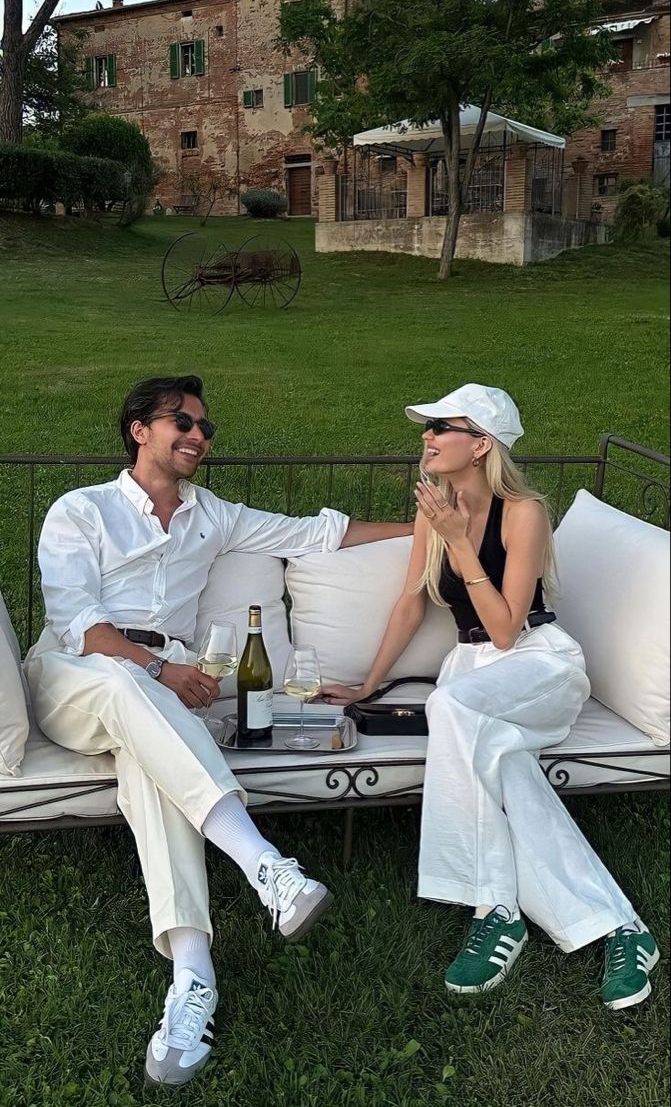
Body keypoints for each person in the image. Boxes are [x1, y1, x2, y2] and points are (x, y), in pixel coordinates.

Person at [24, 374, 413, 1088]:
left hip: (159, 692)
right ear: (140, 429)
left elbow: (318, 533)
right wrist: (159, 669)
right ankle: (266, 866)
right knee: (123, 682)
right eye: (183, 422)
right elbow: (78, 622)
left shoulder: (213, 516)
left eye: (206, 428)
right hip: (76, 675)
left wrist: (423, 532)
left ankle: (193, 978)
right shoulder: (81, 511)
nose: (199, 437)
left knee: (151, 766)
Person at [322, 384, 659, 1011]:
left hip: (537, 664)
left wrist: (459, 541)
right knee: (499, 759)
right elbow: (410, 601)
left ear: (481, 445)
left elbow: (507, 628)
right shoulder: (433, 508)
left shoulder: (523, 512)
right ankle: (620, 926)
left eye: (441, 427)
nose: (426, 436)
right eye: (427, 427)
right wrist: (367, 686)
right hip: (471, 671)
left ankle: (493, 907)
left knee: (451, 710)